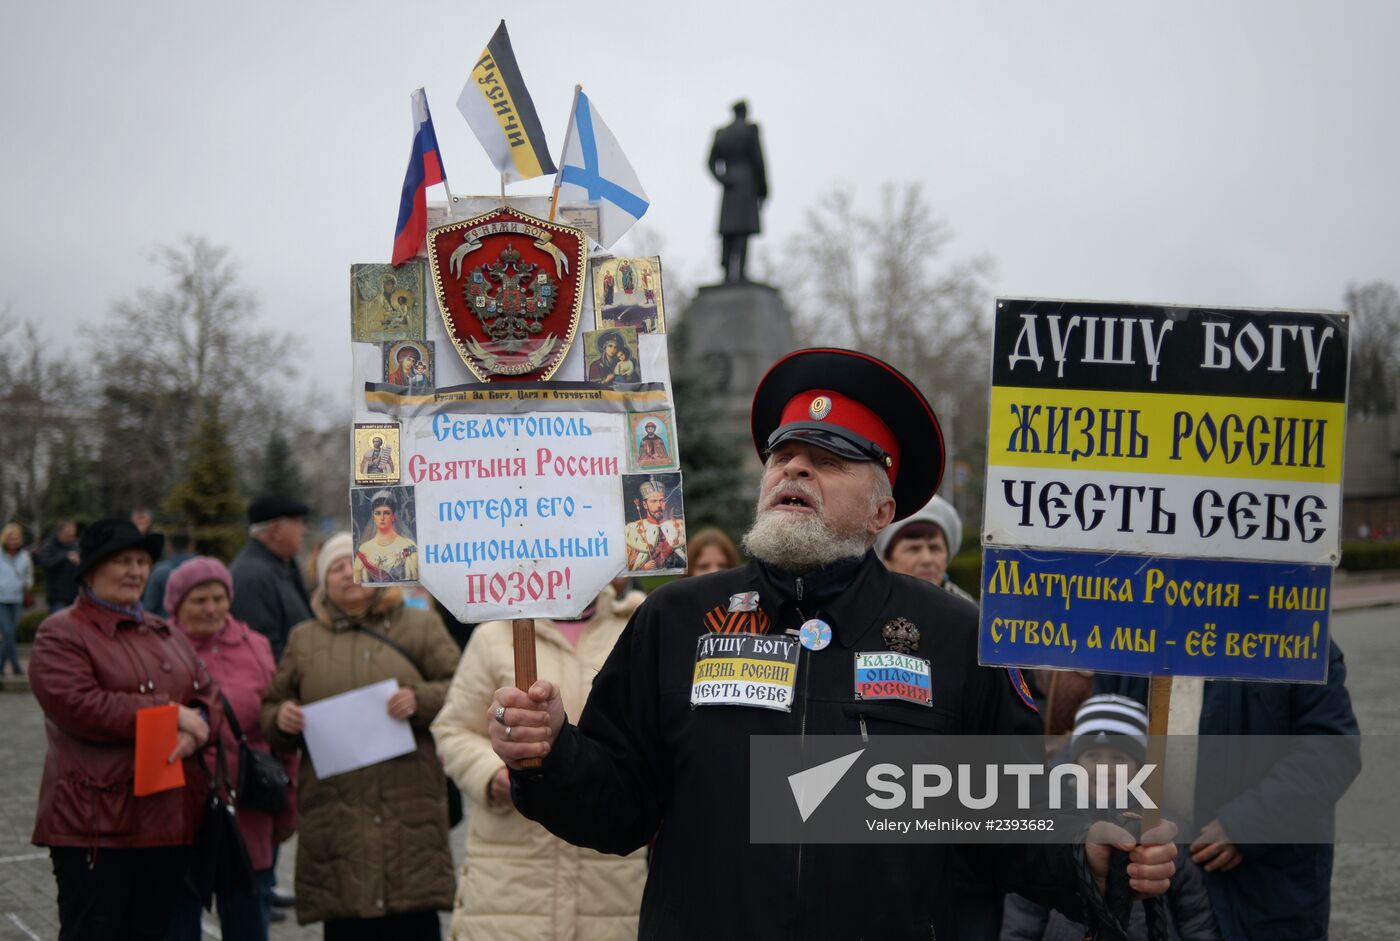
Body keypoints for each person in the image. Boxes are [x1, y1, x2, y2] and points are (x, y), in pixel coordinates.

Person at [486, 348, 1179, 939]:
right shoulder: (677, 618)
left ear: (883, 510)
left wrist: (1086, 850)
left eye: (827, 460)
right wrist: (551, 754)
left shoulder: (955, 635)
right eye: (782, 456)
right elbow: (619, 809)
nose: (794, 470)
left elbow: (1009, 824)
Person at [260, 533, 459, 938]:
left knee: (413, 920)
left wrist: (419, 699)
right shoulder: (304, 639)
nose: (346, 574)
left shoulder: (418, 625)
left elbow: (461, 687)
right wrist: (282, 718)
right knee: (348, 916)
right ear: (321, 581)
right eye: (334, 567)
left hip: (408, 804)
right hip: (337, 811)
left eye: (353, 563)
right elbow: (271, 707)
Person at [29, 518, 219, 940]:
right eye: (121, 561)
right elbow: (77, 705)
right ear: (90, 571)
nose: (135, 571)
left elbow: (208, 694)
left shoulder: (162, 629)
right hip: (97, 826)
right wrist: (169, 714)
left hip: (167, 819)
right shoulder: (60, 633)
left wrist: (197, 727)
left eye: (141, 561)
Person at [1096, 643, 1360, 941]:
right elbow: (1097, 738)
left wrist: (1248, 824)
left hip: (1262, 885)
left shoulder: (1294, 628)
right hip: (1157, 879)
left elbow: (1331, 749)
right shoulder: (1136, 630)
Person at [430, 581, 649, 939]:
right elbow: (453, 728)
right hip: (510, 879)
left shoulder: (636, 629)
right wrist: (492, 774)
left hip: (609, 883)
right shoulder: (493, 636)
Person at [1001, 694, 1221, 941]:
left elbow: (1195, 916)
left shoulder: (1163, 831)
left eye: (1118, 758)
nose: (1103, 768)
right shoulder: (1054, 828)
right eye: (1093, 756)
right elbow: (1023, 916)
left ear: (1139, 767)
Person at [166, 557, 298, 941]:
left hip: (247, 807)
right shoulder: (159, 647)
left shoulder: (254, 645)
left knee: (247, 918)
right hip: (181, 808)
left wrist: (289, 801)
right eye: (199, 600)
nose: (211, 609)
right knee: (178, 917)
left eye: (218, 598)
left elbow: (275, 726)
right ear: (177, 604)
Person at [230, 495, 312, 661]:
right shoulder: (252, 576)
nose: (305, 531)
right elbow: (264, 649)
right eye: (298, 523)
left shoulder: (279, 565)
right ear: (275, 530)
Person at [708, 100, 768, 283]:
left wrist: (723, 179)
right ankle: (740, 272)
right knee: (742, 229)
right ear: (745, 112)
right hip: (747, 183)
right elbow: (759, 160)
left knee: (729, 230)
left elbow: (710, 162)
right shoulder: (750, 130)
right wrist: (763, 188)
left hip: (730, 183)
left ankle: (726, 272)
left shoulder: (722, 133)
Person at [874, 493, 975, 602]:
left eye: (935, 548)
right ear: (887, 559)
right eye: (914, 548)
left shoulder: (970, 614)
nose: (927, 559)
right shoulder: (867, 610)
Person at [354, 490, 418, 583]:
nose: (382, 518)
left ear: (393, 516)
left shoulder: (408, 545)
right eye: (378, 513)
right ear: (373, 516)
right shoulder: (364, 549)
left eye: (387, 513)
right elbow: (358, 581)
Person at [624, 478, 686, 571]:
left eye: (661, 500)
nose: (659, 505)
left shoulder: (679, 526)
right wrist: (643, 568)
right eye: (654, 501)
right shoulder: (633, 529)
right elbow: (629, 566)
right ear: (645, 505)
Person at [1, 523, 33, 675]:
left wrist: (28, 587)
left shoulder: (25, 556)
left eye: (16, 537)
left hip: (17, 598)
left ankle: (12, 666)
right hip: (1, 599)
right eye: (10, 537)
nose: (13, 540)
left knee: (11, 633)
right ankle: (13, 666)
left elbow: (28, 575)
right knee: (8, 632)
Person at [143, 530, 197, 618]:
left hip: (164, 627)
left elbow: (149, 607)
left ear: (170, 547)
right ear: (191, 546)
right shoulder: (207, 570)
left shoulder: (159, 572)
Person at [36, 519, 81, 611]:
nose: (71, 538)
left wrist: (80, 562)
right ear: (59, 533)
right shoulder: (48, 545)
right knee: (59, 624)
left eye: (73, 535)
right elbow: (44, 563)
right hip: (57, 596)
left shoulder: (76, 544)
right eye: (68, 535)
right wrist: (64, 557)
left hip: (75, 594)